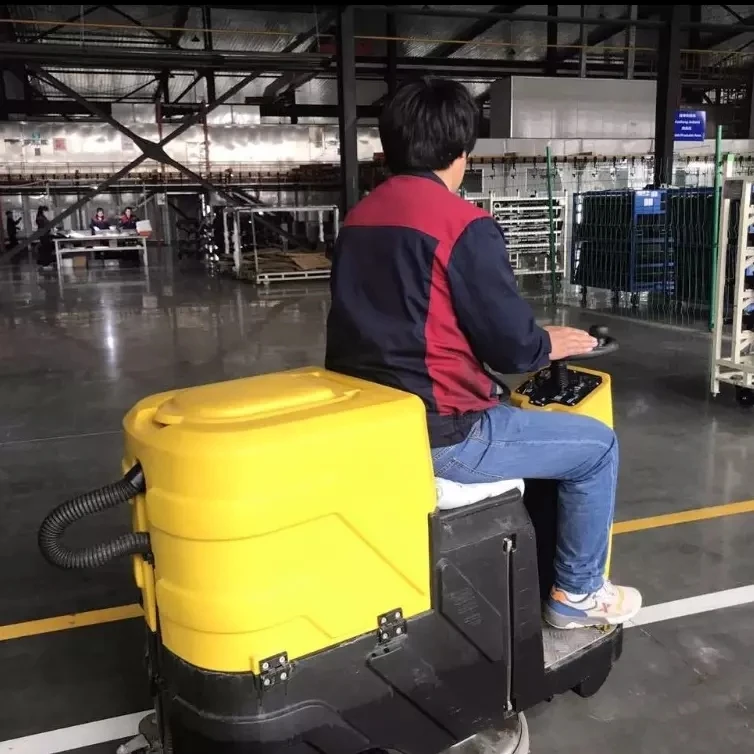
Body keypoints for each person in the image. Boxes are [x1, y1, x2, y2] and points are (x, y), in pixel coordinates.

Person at [325, 78, 642, 630]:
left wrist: (528, 338)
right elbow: (511, 348)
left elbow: (410, 317)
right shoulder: (461, 224)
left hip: (374, 420)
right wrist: (547, 341)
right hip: (444, 434)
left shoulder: (359, 219)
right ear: (461, 153)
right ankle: (578, 593)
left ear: (389, 147)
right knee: (597, 448)